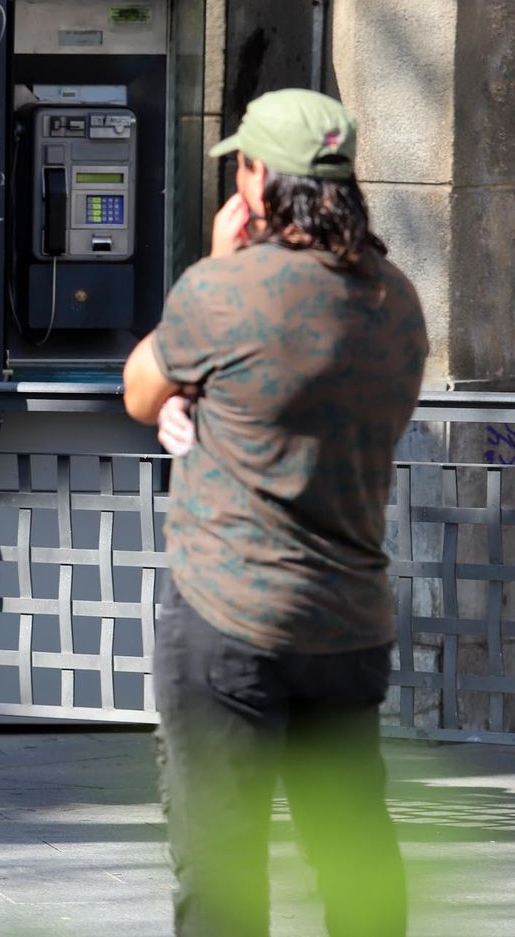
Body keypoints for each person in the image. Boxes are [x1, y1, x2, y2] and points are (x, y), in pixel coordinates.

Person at [122, 89, 428, 936]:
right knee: (356, 851)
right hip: (350, 626)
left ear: (257, 181)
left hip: (231, 622)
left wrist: (218, 259)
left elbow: (142, 386)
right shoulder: (396, 298)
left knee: (221, 868)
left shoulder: (228, 290)